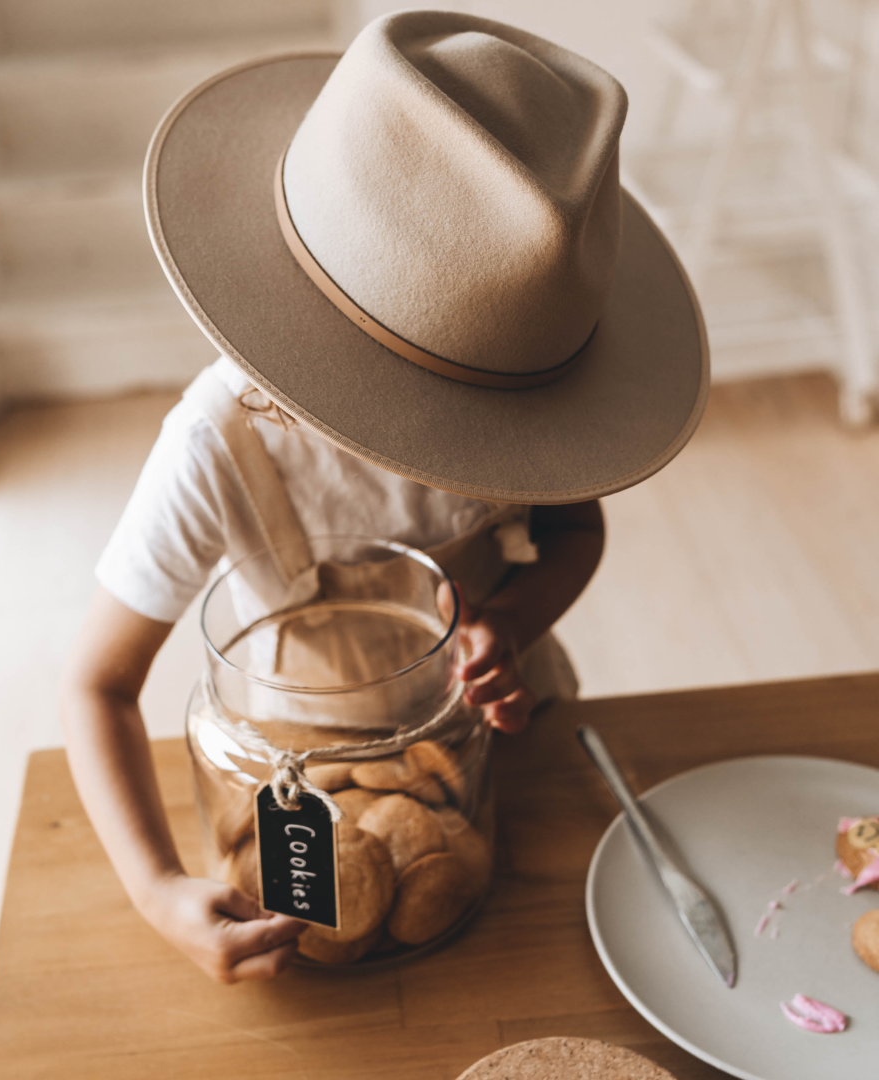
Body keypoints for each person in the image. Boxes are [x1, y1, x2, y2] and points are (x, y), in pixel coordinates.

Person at [60, 10, 709, 985]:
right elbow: (95, 687)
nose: (459, 457)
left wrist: (510, 621)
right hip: (302, 766)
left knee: (523, 959)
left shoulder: (518, 415)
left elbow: (577, 529)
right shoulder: (217, 450)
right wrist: (156, 887)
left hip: (488, 750)